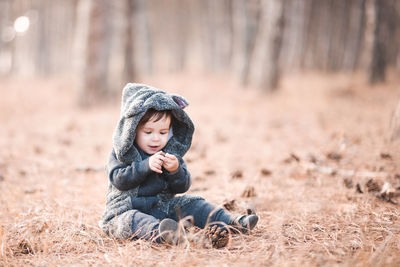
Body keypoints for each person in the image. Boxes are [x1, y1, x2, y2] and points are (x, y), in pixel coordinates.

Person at [99, 83, 258, 247]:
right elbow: (119, 180)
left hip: (161, 209)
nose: (156, 138)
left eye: (162, 133)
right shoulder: (121, 153)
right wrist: (145, 166)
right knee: (131, 221)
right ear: (131, 130)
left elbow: (182, 187)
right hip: (124, 211)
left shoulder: (169, 154)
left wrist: (175, 171)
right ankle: (165, 234)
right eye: (148, 132)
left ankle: (233, 222)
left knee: (194, 203)